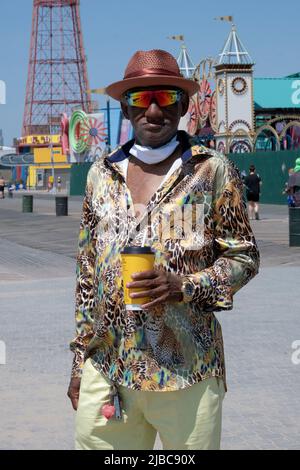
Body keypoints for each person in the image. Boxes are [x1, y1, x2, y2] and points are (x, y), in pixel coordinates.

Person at [67, 49, 260, 451]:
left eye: (165, 97)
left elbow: (243, 255)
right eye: (140, 98)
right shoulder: (100, 175)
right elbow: (87, 275)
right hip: (109, 367)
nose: (153, 110)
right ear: (124, 106)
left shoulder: (211, 170)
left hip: (187, 369)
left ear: (184, 104)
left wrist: (184, 286)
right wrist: (78, 362)